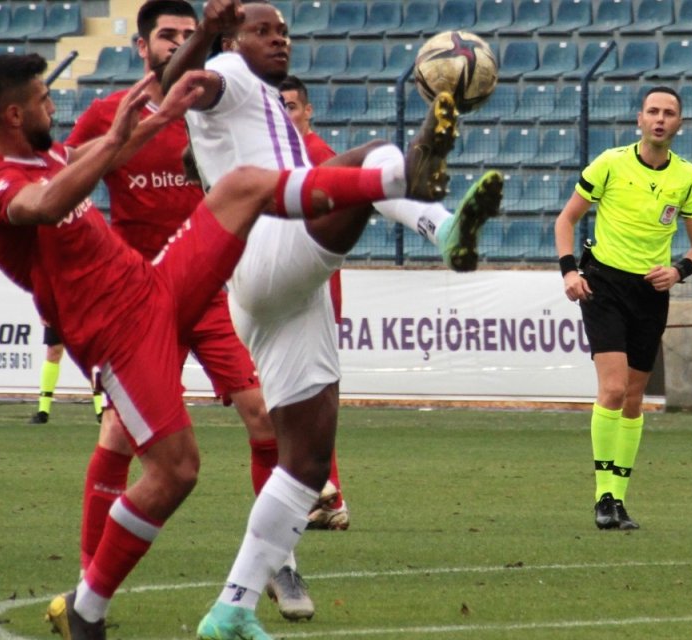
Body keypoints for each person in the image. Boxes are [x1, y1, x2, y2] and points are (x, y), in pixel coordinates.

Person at [0, 50, 444, 639]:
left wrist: (158, 119)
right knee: (177, 470)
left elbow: (82, 161)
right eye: (43, 99)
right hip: (117, 335)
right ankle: (88, 605)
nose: (53, 106)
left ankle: (395, 180)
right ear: (13, 114)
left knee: (240, 185)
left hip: (152, 284)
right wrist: (119, 136)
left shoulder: (41, 156)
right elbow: (47, 202)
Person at [161, 1, 500, 635]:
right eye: (264, 30)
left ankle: (230, 609)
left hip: (278, 295)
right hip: (264, 247)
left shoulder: (274, 115)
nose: (279, 40)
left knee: (307, 463)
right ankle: (441, 220)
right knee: (371, 157)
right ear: (235, 37)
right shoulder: (226, 75)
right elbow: (176, 86)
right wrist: (206, 35)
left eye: (284, 31)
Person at [43, 1, 288, 626]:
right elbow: (65, 176)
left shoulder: (212, 103)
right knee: (119, 438)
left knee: (264, 418)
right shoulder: (111, 114)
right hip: (136, 297)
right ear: (142, 47)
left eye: (189, 33)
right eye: (169, 36)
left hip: (204, 290)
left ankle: (276, 563)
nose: (181, 42)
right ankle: (88, 581)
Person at [553, 86, 692, 531]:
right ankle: (602, 496)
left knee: (635, 399)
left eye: (669, 113)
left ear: (679, 124)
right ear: (639, 119)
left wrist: (678, 271)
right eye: (653, 111)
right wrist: (569, 271)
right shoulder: (610, 163)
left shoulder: (686, 177)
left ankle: (618, 502)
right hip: (603, 285)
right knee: (615, 388)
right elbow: (566, 220)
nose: (660, 119)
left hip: (650, 292)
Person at [279, 74, 349, 532]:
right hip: (287, 287)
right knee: (296, 397)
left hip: (313, 289)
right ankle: (326, 494)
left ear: (308, 112)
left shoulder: (319, 156)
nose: (284, 114)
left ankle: (325, 492)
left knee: (297, 396)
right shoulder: (278, 154)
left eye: (291, 106)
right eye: (278, 106)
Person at [29, 322, 105, 424]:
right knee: (53, 351)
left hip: (82, 311)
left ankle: (101, 411)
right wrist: (44, 312)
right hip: (58, 311)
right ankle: (43, 411)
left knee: (91, 354)